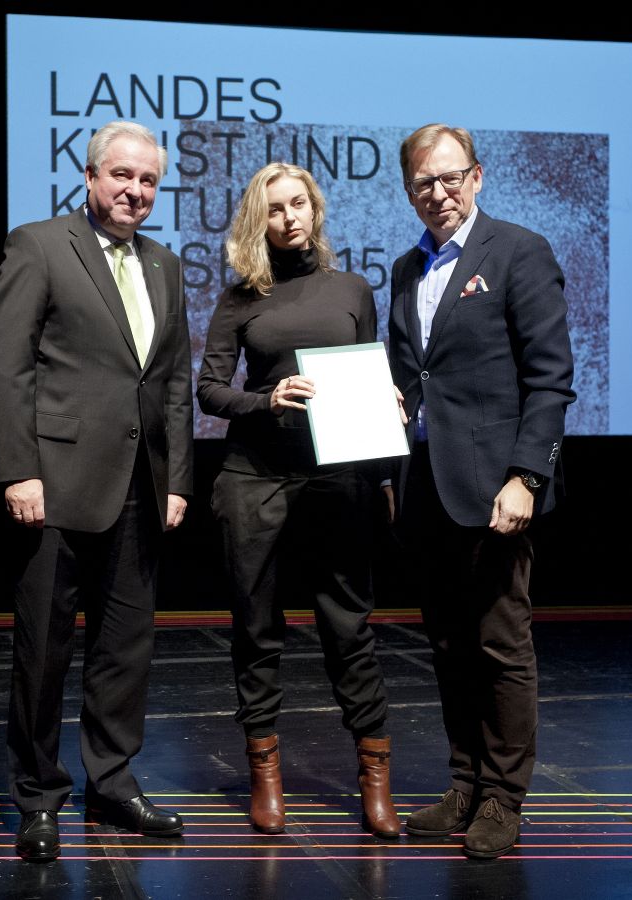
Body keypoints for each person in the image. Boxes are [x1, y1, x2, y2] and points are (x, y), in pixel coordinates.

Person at [0, 120, 194, 862]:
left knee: (124, 647)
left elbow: (171, 385)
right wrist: (18, 469)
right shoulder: (39, 244)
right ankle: (39, 795)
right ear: (92, 176)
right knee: (43, 648)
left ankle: (112, 782)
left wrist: (176, 482)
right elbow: (5, 364)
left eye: (148, 181)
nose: (135, 191)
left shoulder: (165, 264)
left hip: (141, 488)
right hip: (56, 483)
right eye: (122, 176)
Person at [387, 124, 575, 859]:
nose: (438, 193)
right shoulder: (406, 269)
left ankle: (503, 798)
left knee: (501, 646)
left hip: (498, 490)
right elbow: (412, 379)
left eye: (449, 178)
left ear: (478, 176)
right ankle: (464, 783)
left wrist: (527, 476)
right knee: (446, 645)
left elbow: (551, 379)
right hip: (429, 489)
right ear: (408, 191)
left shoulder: (520, 251)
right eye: (422, 184)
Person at [197, 162, 399, 838]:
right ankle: (266, 777)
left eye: (299, 203)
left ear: (315, 208)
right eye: (276, 209)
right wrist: (267, 399)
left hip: (337, 477)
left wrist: (387, 421)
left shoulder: (352, 288)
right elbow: (210, 390)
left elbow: (371, 370)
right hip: (253, 476)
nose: (290, 217)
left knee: (349, 627)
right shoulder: (239, 298)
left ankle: (375, 781)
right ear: (260, 222)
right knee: (257, 629)